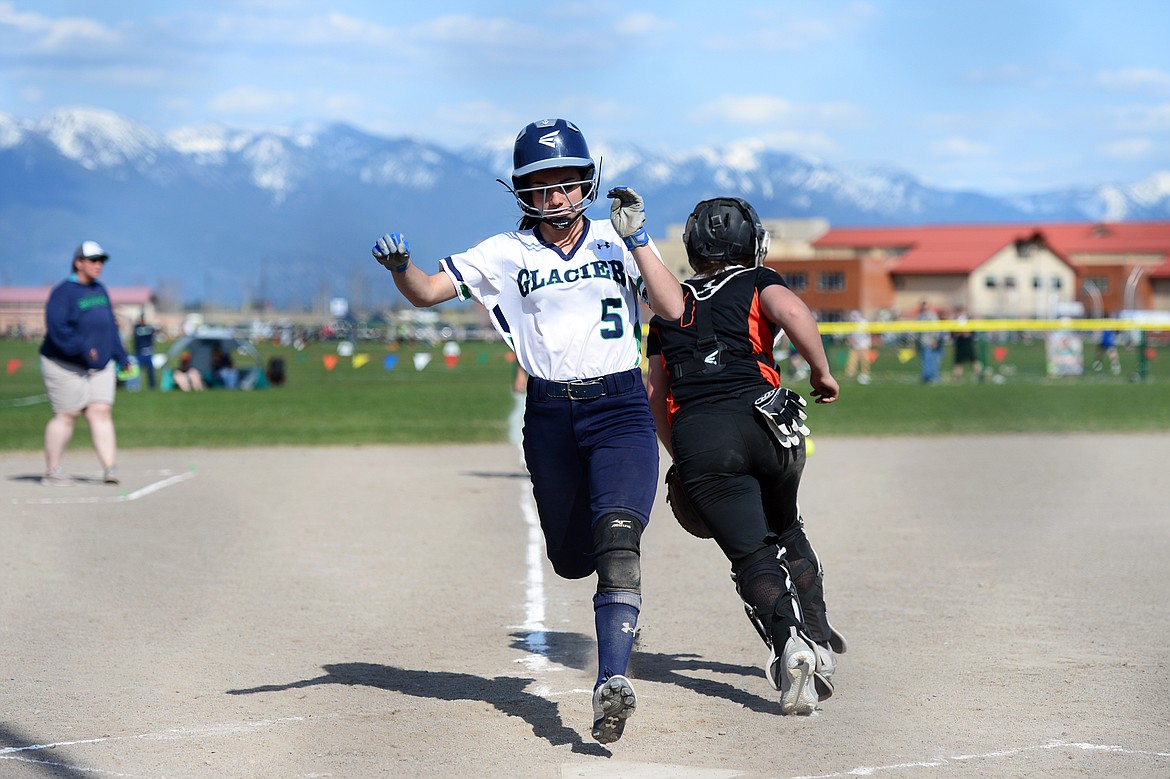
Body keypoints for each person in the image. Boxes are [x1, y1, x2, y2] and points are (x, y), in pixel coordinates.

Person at [371, 118, 684, 745]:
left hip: (621, 407)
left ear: (586, 183)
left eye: (567, 183)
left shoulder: (614, 238)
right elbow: (429, 292)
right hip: (549, 414)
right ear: (522, 192)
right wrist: (401, 267)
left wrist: (642, 239)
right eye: (541, 186)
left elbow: (673, 308)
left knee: (619, 538)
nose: (556, 196)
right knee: (571, 559)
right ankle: (617, 614)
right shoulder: (504, 252)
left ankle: (612, 679)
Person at [645, 197, 844, 716]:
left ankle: (790, 646)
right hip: (766, 423)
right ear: (751, 242)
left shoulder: (669, 304)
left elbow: (654, 391)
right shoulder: (759, 280)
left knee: (752, 557)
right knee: (786, 530)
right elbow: (794, 311)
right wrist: (821, 372)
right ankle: (819, 640)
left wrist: (683, 454)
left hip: (702, 434)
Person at [38, 240, 130, 486]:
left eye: (102, 261)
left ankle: (110, 468)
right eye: (93, 260)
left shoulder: (99, 290)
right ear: (79, 262)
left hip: (100, 364)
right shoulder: (63, 293)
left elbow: (110, 327)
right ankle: (53, 470)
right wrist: (80, 349)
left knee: (101, 411)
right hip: (64, 364)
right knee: (67, 414)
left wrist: (122, 356)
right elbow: (58, 330)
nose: (99, 265)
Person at [917, 300, 943, 384]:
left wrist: (935, 340)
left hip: (930, 341)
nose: (924, 307)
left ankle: (933, 376)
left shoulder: (932, 315)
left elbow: (936, 328)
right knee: (924, 360)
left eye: (926, 305)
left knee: (931, 360)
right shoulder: (920, 316)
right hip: (922, 341)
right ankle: (926, 376)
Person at [951, 306, 980, 381]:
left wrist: (966, 333)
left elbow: (973, 332)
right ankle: (957, 378)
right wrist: (959, 333)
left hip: (968, 343)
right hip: (959, 343)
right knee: (958, 361)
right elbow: (953, 334)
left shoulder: (969, 320)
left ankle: (978, 376)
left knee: (973, 360)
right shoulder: (955, 321)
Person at [844, 309, 872, 384]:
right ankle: (850, 374)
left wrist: (852, 339)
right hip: (855, 346)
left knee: (864, 361)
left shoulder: (863, 323)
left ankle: (864, 374)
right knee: (852, 360)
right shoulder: (852, 324)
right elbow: (851, 335)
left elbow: (862, 334)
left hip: (864, 345)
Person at [132, 312, 157, 389]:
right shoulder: (137, 328)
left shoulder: (149, 328)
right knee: (137, 371)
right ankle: (135, 386)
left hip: (148, 353)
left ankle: (152, 386)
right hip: (140, 352)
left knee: (150, 371)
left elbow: (152, 335)